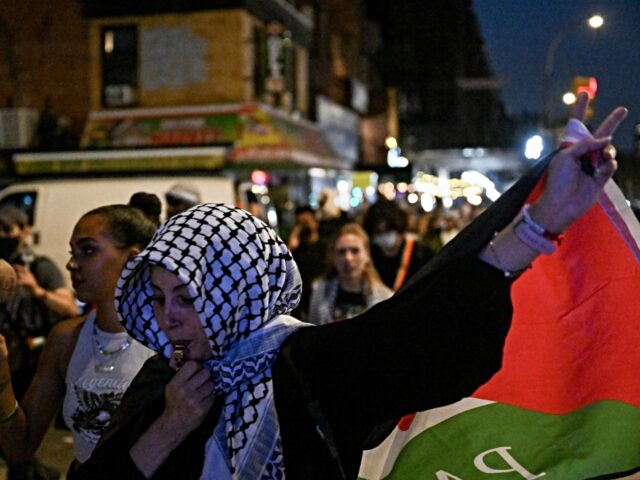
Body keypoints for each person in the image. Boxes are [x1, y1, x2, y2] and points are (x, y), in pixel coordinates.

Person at [73, 97, 626, 479]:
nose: (168, 317)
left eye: (187, 298)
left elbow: (427, 326)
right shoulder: (165, 381)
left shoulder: (305, 366)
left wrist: (538, 224)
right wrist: (171, 424)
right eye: (159, 299)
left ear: (235, 289)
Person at [0, 193, 161, 474]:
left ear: (132, 259)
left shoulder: (169, 341)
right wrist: (1, 379)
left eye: (87, 251)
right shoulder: (66, 339)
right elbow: (19, 447)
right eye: (72, 251)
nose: (71, 264)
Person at [0, 205, 79, 479]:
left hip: (30, 361)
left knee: (18, 435)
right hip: (5, 356)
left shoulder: (40, 266)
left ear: (24, 232)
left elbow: (69, 308)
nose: (2, 235)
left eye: (7, 229)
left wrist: (37, 290)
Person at [307, 223, 392, 325]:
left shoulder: (385, 299)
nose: (348, 258)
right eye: (341, 252)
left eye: (355, 251)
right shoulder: (319, 292)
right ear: (333, 257)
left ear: (367, 255)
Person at [362, 199, 435, 291]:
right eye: (378, 232)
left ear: (399, 227)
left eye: (387, 231)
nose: (384, 237)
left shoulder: (423, 255)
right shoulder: (368, 256)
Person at [287, 206, 325, 321]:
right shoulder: (295, 249)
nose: (304, 226)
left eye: (306, 222)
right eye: (299, 223)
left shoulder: (325, 246)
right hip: (300, 305)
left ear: (315, 222)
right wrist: (290, 246)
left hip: (321, 299)